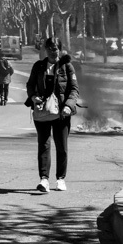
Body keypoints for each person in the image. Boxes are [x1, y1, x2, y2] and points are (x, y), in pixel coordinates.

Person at [26, 38, 79, 192]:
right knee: (44, 145)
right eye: (49, 48)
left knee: (61, 147)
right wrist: (33, 97)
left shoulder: (67, 66)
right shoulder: (38, 66)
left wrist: (69, 106)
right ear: (45, 50)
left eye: (55, 48)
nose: (52, 51)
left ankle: (61, 179)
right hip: (42, 112)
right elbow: (30, 84)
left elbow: (74, 89)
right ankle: (44, 180)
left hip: (62, 114)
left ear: (60, 50)